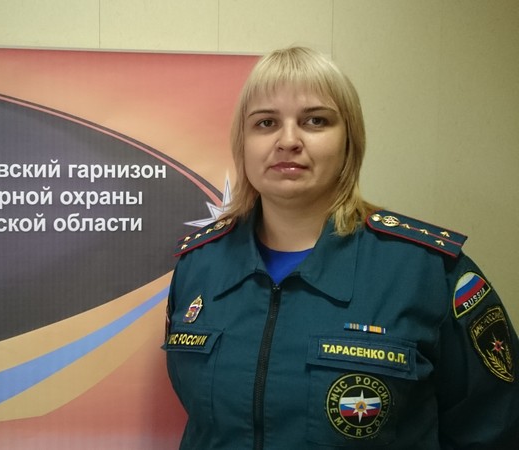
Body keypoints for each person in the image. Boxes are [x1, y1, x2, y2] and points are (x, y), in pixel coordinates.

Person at [163, 46, 519, 449]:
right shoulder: (199, 266)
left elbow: (495, 429)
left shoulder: (429, 272)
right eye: (266, 122)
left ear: (349, 140)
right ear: (242, 142)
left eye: (315, 120)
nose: (288, 140)